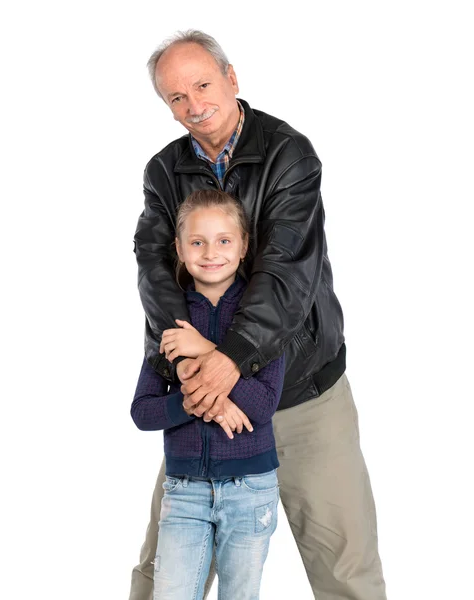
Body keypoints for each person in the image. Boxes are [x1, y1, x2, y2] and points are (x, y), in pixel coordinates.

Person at [130, 30, 387, 600]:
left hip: (300, 395)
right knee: (161, 578)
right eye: (175, 97)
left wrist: (230, 363)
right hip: (200, 404)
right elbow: (154, 271)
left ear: (232, 78)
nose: (194, 105)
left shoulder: (287, 154)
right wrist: (198, 372)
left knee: (346, 570)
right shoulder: (163, 172)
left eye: (202, 85)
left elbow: (285, 276)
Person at [131, 190, 285, 599]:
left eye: (224, 240)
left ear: (243, 246)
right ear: (179, 249)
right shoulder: (168, 317)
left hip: (251, 488)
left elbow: (264, 405)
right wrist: (190, 402)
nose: (210, 252)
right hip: (184, 491)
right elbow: (143, 412)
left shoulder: (263, 315)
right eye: (197, 242)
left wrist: (202, 348)